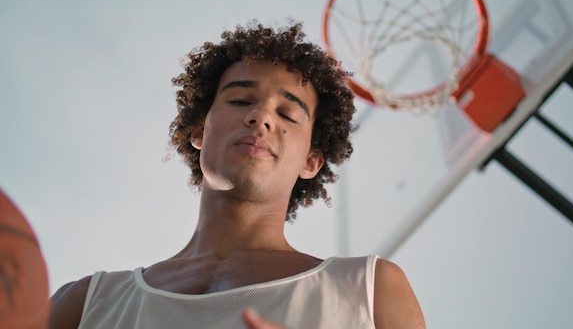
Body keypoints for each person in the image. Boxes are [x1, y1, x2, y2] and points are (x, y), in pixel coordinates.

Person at [48, 21, 426, 329]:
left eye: (288, 115)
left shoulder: (370, 290)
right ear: (199, 130)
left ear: (311, 161)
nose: (261, 117)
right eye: (241, 100)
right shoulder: (83, 303)